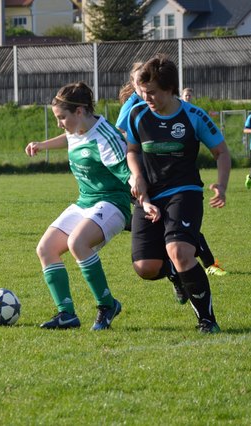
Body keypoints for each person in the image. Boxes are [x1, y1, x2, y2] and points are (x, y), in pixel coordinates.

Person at [125, 53, 231, 334]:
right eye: (143, 93)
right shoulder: (137, 114)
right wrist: (136, 176)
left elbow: (221, 152)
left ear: (171, 90)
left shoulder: (193, 116)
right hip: (149, 195)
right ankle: (175, 274)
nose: (146, 99)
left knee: (179, 251)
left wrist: (221, 184)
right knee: (145, 267)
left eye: (152, 94)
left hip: (184, 191)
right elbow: (132, 150)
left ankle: (207, 320)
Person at [25, 82, 130, 331]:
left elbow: (129, 173)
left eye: (62, 117)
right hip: (85, 202)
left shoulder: (106, 137)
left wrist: (145, 198)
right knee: (46, 248)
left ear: (80, 111)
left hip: (113, 202)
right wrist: (43, 145)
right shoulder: (78, 128)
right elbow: (69, 137)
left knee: (77, 243)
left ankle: (107, 305)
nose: (60, 123)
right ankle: (66, 314)